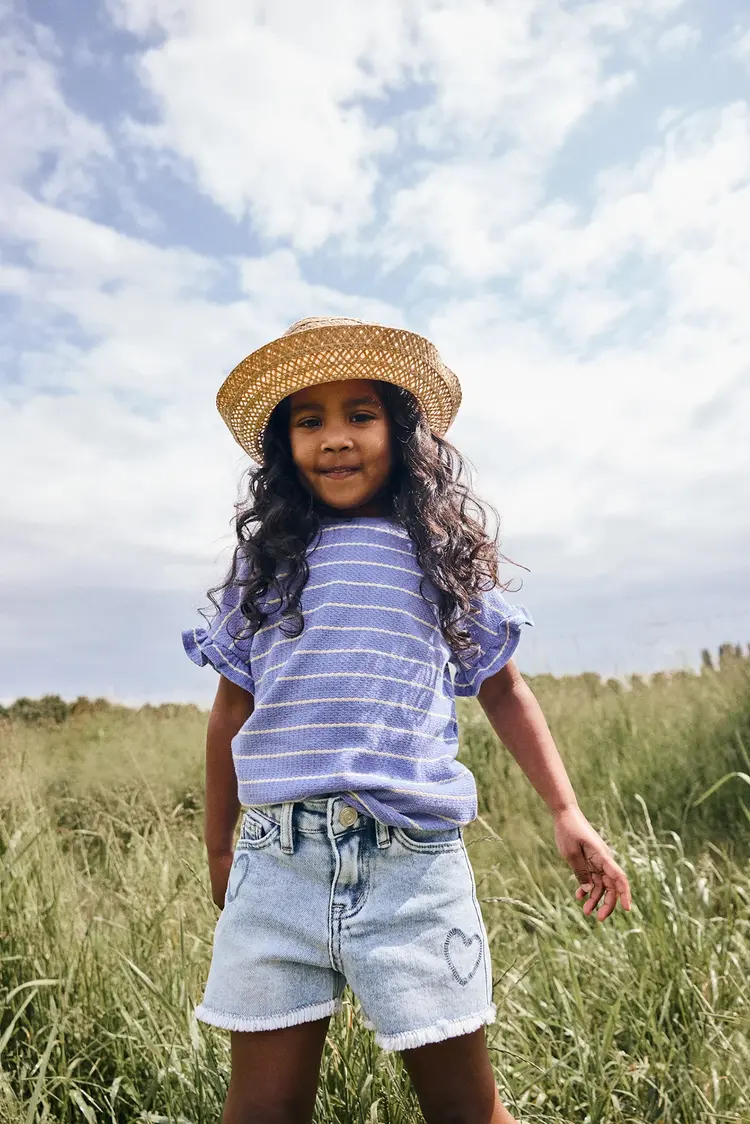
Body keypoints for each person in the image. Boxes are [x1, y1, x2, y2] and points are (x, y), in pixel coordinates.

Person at [182, 316, 632, 1124]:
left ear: (401, 427)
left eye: (360, 413)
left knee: (467, 1110)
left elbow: (503, 689)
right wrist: (218, 847)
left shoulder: (436, 552)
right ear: (285, 445)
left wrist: (567, 812)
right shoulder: (269, 562)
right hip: (277, 865)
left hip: (410, 868)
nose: (336, 439)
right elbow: (229, 713)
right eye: (309, 420)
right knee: (260, 1112)